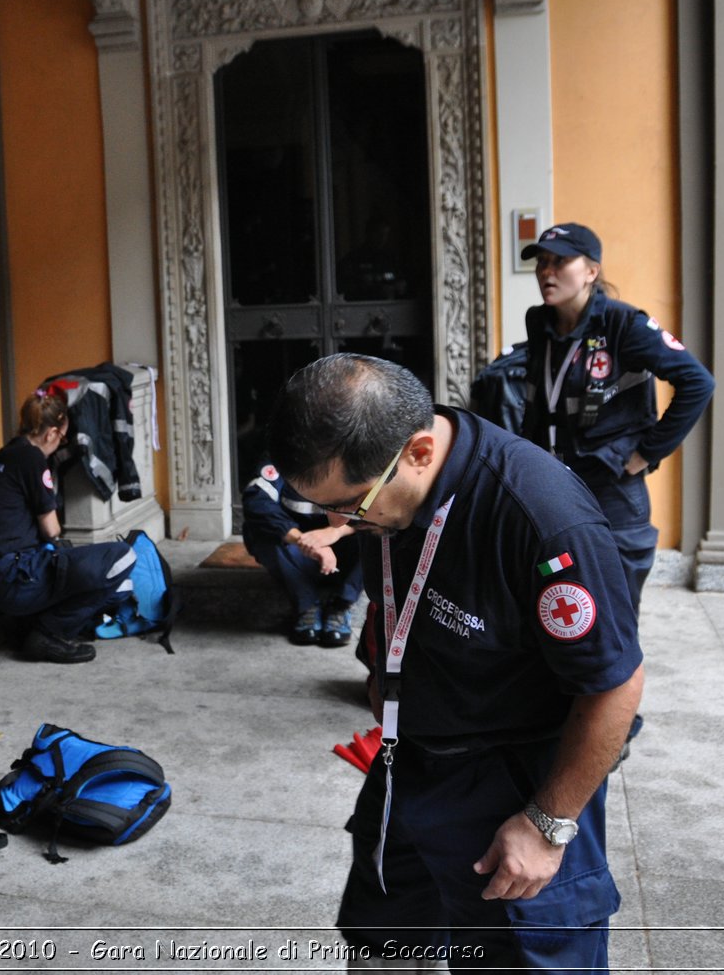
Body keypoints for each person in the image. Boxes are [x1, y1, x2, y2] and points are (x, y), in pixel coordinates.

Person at [268, 354, 644, 972]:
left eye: (352, 506)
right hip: (405, 765)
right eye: (326, 509)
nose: (344, 524)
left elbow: (615, 687)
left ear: (419, 451)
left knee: (519, 958)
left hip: (512, 782)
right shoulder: (386, 486)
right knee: (383, 945)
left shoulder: (540, 517)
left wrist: (547, 824)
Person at [519, 222, 715, 613]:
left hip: (612, 484)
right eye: (541, 262)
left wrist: (646, 453)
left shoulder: (625, 324)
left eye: (560, 261)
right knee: (559, 591)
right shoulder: (538, 322)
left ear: (591, 271)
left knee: (615, 602)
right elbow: (542, 401)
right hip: (556, 480)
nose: (546, 271)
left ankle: (618, 673)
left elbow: (697, 383)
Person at [0, 392, 138, 664]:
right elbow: (51, 529)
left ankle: (20, 623)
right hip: (19, 575)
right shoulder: (32, 458)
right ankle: (49, 634)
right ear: (51, 434)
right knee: (122, 562)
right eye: (62, 439)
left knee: (104, 577)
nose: (60, 444)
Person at [241, 461, 363, 646]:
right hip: (298, 554)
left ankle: (341, 605)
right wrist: (305, 541)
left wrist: (334, 532)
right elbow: (257, 502)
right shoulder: (286, 456)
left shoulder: (358, 453)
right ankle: (307, 606)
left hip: (346, 553)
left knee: (381, 533)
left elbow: (380, 506)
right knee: (257, 529)